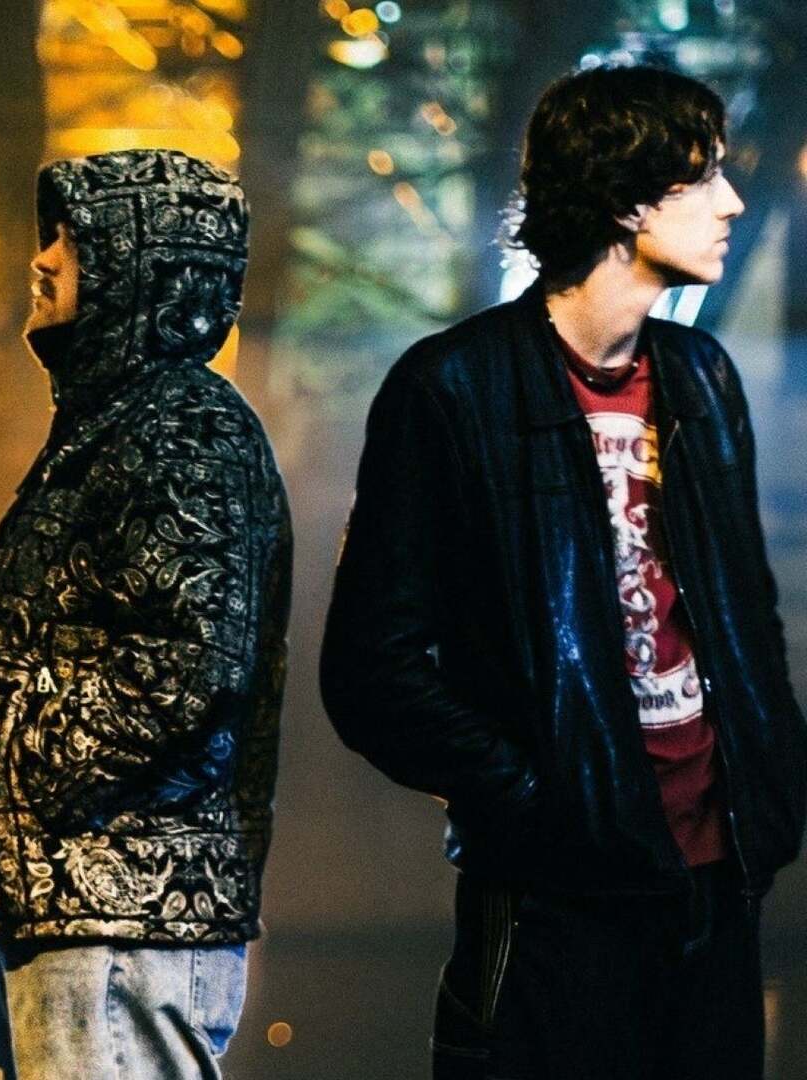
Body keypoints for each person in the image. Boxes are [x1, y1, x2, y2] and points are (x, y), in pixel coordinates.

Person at [320, 63, 806, 1080]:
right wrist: (539, 802)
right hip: (558, 907)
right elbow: (372, 671)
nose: (731, 202)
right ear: (628, 202)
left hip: (717, 884)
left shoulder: (702, 377)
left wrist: (770, 784)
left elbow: (748, 617)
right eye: (703, 177)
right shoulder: (453, 388)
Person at [0, 148, 292, 1080]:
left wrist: (30, 762)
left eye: (74, 239)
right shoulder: (125, 421)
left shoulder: (183, 426)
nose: (42, 258)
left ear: (145, 265)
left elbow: (195, 663)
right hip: (89, 903)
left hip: (122, 913)